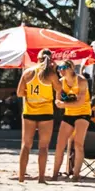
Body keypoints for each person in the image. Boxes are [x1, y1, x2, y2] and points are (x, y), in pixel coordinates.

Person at [17, 48, 61, 183]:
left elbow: (19, 93)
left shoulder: (28, 72)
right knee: (43, 147)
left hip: (29, 111)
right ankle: (41, 178)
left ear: (37, 59)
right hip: (46, 112)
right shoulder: (51, 75)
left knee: (25, 145)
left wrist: (29, 95)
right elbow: (59, 89)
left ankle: (21, 177)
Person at [51, 60, 92, 181]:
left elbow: (80, 102)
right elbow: (57, 101)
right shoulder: (60, 82)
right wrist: (61, 104)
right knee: (60, 145)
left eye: (63, 68)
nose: (60, 71)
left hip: (83, 113)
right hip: (69, 113)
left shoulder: (81, 81)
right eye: (59, 68)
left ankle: (76, 174)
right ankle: (54, 174)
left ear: (71, 68)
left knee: (78, 144)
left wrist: (63, 104)